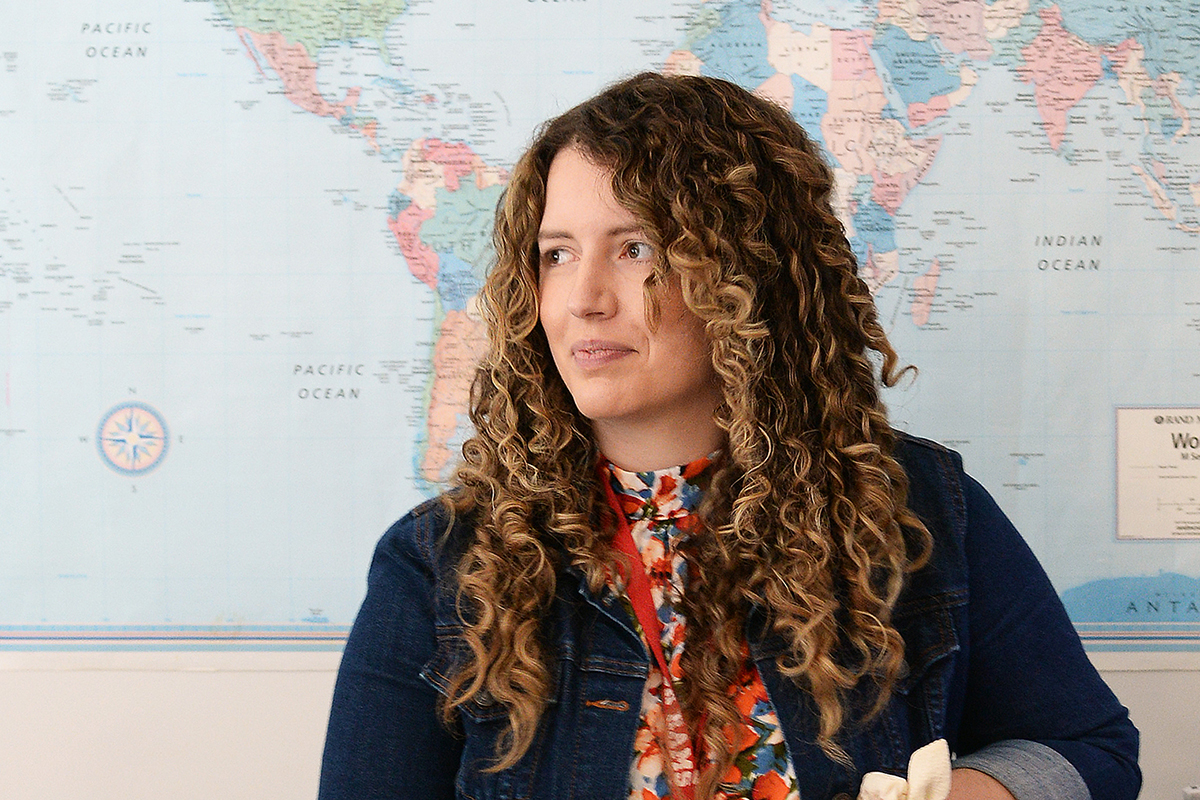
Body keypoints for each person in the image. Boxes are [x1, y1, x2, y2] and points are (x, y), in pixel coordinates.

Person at [317, 72, 1140, 800]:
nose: (583, 300)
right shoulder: (440, 562)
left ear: (747, 271)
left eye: (635, 247)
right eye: (558, 254)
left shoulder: (922, 512)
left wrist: (977, 792)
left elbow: (1090, 751)